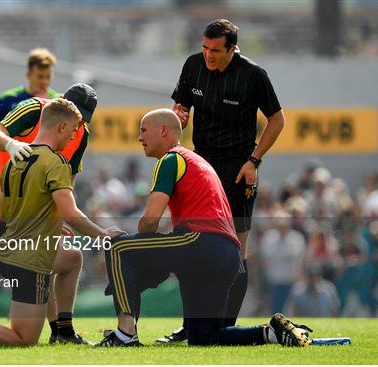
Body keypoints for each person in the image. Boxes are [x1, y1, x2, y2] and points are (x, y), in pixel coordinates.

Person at [96, 109, 307, 347]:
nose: (139, 137)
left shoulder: (170, 158)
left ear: (164, 130)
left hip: (201, 241)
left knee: (117, 247)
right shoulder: (197, 161)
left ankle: (125, 334)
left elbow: (150, 221)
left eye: (144, 130)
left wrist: (131, 253)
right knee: (205, 338)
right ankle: (271, 332)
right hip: (228, 254)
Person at [0, 99, 125, 347]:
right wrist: (102, 234)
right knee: (23, 339)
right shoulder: (56, 163)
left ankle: (62, 331)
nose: (75, 136)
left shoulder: (14, 159)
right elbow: (71, 212)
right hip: (31, 261)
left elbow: (1, 212)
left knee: (73, 257)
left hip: (9, 254)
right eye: (74, 130)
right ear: (62, 127)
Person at [159, 18, 285, 343]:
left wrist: (254, 161)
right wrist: (180, 114)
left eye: (215, 50)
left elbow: (277, 120)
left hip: (239, 168)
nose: (208, 55)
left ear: (232, 49)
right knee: (191, 245)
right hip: (201, 167)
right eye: (204, 48)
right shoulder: (193, 65)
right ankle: (191, 326)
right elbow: (181, 106)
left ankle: (225, 325)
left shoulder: (254, 75)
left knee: (237, 250)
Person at [0, 83, 96, 344]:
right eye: (76, 116)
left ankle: (61, 331)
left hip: (33, 197)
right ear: (62, 104)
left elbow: (66, 182)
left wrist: (55, 217)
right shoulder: (33, 108)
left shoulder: (80, 133)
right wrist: (11, 145)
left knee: (47, 255)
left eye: (82, 118)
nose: (77, 124)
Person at [0, 48, 59, 152]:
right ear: (28, 74)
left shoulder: (57, 101)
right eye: (40, 77)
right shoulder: (8, 99)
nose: (44, 82)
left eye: (48, 77)